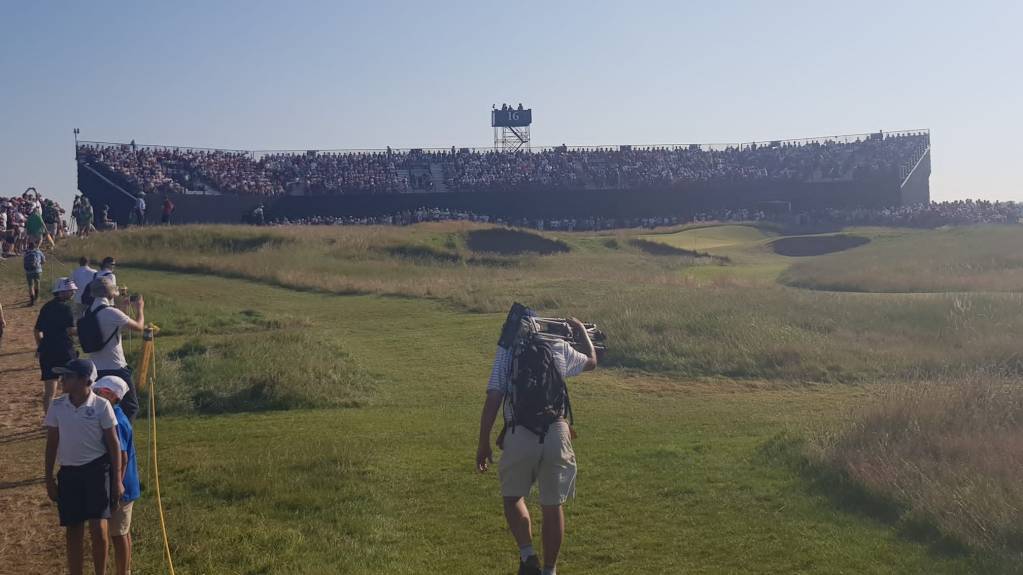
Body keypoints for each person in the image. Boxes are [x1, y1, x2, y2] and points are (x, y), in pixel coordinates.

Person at [476, 312, 598, 575]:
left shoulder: (507, 350)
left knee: (512, 497)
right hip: (557, 432)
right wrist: (581, 331)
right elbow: (592, 361)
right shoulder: (557, 344)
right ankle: (549, 570)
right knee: (553, 506)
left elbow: (494, 397)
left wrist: (484, 441)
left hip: (520, 431)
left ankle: (527, 554)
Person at [44, 358, 123, 575]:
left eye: (67, 376)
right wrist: (49, 478)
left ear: (84, 380)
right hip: (69, 473)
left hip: (96, 471)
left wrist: (116, 480)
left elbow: (113, 444)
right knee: (73, 528)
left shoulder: (101, 405)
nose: (62, 380)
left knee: (99, 529)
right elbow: (52, 443)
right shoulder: (58, 406)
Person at [93, 376, 139, 575]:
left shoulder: (116, 421)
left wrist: (116, 484)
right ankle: (125, 569)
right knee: (122, 531)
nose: (94, 395)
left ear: (110, 396)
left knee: (118, 534)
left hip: (121, 486)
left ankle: (123, 571)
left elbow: (122, 456)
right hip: (126, 484)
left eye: (99, 392)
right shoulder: (117, 415)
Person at [82, 279, 144, 420]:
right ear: (111, 294)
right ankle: (120, 436)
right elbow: (139, 327)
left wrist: (123, 308)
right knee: (131, 407)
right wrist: (140, 308)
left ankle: (106, 436)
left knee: (102, 408)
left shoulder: (88, 312)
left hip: (95, 369)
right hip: (116, 367)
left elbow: (111, 324)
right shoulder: (111, 313)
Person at [35, 278, 79, 415]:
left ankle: (49, 421)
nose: (73, 292)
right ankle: (68, 416)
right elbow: (70, 331)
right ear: (61, 292)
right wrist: (84, 329)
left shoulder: (46, 307)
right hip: (65, 351)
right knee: (69, 387)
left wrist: (41, 345)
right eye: (70, 290)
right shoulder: (67, 308)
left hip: (47, 351)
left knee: (49, 391)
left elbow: (37, 331)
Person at [23, 240, 45, 306]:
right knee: (37, 283)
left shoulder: (26, 253)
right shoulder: (38, 251)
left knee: (30, 286)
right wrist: (39, 265)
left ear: (28, 246)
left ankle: (32, 300)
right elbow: (43, 261)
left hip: (28, 271)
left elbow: (24, 261)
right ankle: (36, 297)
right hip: (38, 270)